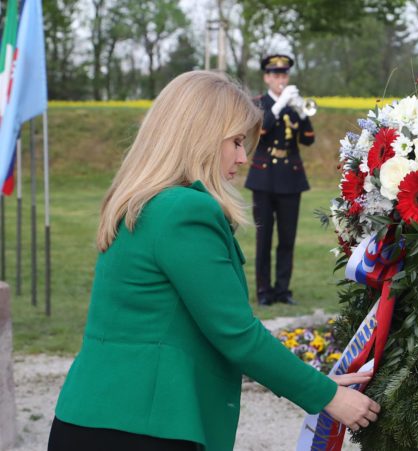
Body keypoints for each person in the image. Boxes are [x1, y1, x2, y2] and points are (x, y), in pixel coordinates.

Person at [47, 71, 379, 451]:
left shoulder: (146, 203)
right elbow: (235, 333)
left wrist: (319, 383)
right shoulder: (183, 210)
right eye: (236, 142)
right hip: (144, 428)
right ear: (200, 136)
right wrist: (329, 398)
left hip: (98, 417)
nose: (242, 157)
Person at [245, 54, 315, 306]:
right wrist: (278, 105)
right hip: (263, 178)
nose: (280, 79)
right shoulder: (258, 103)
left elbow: (308, 139)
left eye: (284, 75)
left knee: (287, 238)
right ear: (266, 77)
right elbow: (258, 131)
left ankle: (282, 289)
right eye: (275, 75)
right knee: (264, 238)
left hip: (290, 177)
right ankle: (264, 291)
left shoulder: (294, 104)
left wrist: (302, 112)